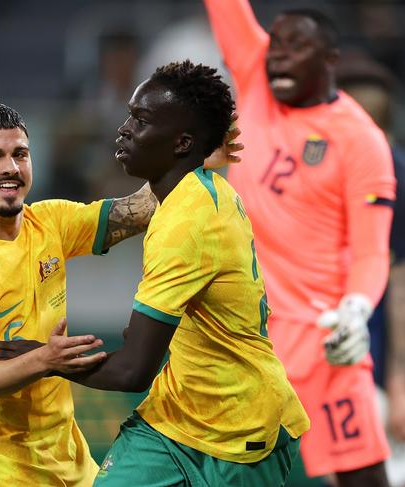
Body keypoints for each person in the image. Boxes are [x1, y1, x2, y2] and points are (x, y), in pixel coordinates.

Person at [0, 60, 310, 487]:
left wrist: (44, 360)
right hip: (173, 418)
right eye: (129, 115)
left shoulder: (187, 225)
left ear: (180, 143)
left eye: (141, 120)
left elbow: (132, 371)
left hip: (239, 433)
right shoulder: (188, 191)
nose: (123, 129)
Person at [0, 100, 243, 485]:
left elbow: (137, 210)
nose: (11, 168)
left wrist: (194, 159)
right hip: (0, 475)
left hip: (73, 468)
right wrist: (45, 359)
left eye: (20, 153)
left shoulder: (49, 222)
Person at [202, 1, 397, 484]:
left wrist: (356, 310)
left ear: (330, 58)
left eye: (298, 46)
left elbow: (373, 251)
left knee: (363, 478)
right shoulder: (256, 81)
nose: (279, 56)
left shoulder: (361, 141)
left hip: (322, 342)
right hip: (245, 339)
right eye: (276, 45)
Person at [337, 49, 405, 486]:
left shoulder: (395, 173)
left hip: (379, 354)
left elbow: (400, 281)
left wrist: (400, 380)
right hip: (332, 349)